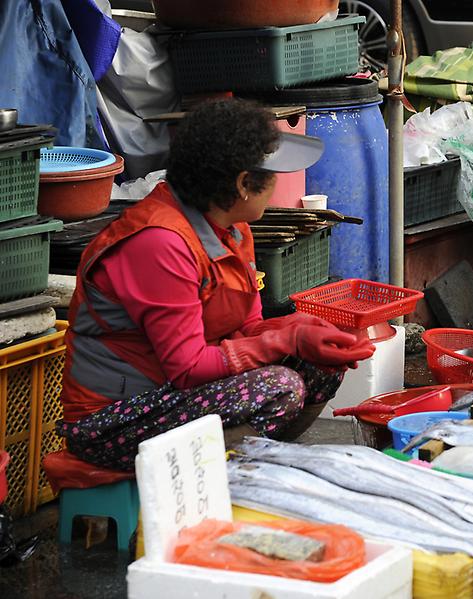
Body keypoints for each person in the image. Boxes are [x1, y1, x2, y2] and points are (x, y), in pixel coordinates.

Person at [57, 99, 375, 470]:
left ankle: (272, 469)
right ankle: (231, 481)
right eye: (270, 175)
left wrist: (305, 330)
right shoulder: (159, 244)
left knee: (318, 365)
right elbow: (189, 368)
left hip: (179, 394)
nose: (276, 185)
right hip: (114, 420)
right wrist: (285, 339)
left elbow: (248, 328)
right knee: (278, 387)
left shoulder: (233, 228)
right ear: (243, 184)